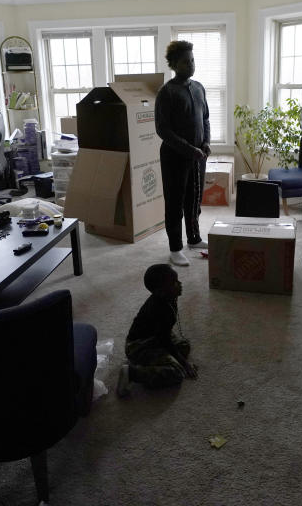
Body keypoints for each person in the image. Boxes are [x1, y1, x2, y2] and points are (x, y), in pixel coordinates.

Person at [155, 40, 210, 267]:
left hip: (198, 156)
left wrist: (206, 143)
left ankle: (194, 238)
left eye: (193, 60)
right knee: (175, 203)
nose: (191, 65)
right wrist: (190, 150)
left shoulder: (198, 87)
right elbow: (163, 130)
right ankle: (175, 248)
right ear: (174, 64)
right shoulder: (167, 92)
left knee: (195, 199)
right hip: (175, 158)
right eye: (186, 62)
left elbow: (205, 119)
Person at [118, 264, 197, 398]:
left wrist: (178, 357)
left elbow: (164, 335)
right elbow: (165, 340)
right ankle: (132, 373)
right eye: (174, 283)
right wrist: (184, 363)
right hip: (139, 346)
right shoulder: (160, 309)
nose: (180, 284)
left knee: (184, 346)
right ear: (161, 291)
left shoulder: (168, 298)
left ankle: (153, 362)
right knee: (177, 373)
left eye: (177, 280)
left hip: (155, 337)